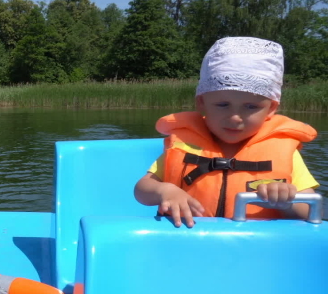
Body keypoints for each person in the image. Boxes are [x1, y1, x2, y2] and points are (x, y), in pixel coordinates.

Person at [135, 36, 319, 228]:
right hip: (189, 238)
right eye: (223, 105)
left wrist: (286, 201)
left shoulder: (285, 151)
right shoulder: (183, 142)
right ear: (202, 102)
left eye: (250, 107)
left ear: (271, 108)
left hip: (256, 244)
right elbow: (141, 190)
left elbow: (309, 210)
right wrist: (165, 191)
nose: (235, 118)